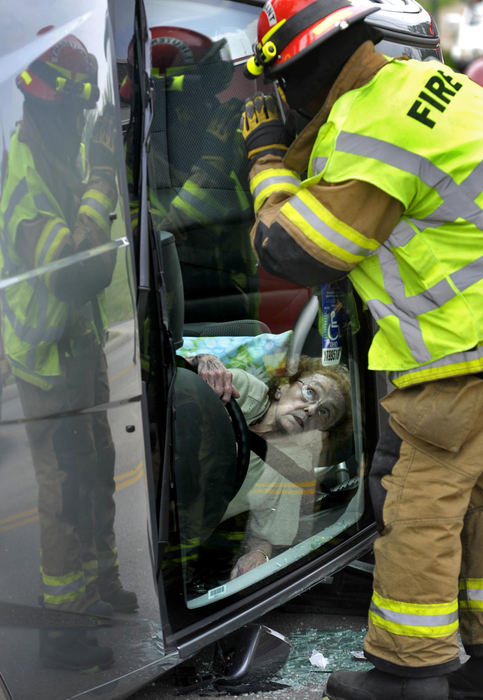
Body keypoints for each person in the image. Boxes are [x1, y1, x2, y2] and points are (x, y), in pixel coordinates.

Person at [238, 0, 483, 698]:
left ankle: (409, 674)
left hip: (460, 353)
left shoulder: (376, 124)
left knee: (419, 507)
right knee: (477, 503)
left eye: (280, 81)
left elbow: (296, 248)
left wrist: (263, 157)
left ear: (303, 62)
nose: (279, 98)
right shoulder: (422, 89)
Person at [0, 33, 137, 672]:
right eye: (78, 111)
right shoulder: (25, 182)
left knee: (97, 468)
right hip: (46, 364)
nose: (85, 124)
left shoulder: (58, 155)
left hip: (78, 346)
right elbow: (76, 272)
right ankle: (61, 628)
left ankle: (101, 587)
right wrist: (104, 182)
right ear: (55, 106)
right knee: (61, 492)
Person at [222, 357, 352, 579]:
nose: (311, 409)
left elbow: (265, 538)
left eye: (324, 412)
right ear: (283, 387)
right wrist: (202, 361)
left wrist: (258, 556)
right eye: (311, 392)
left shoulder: (294, 470)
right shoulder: (242, 388)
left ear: (323, 430)